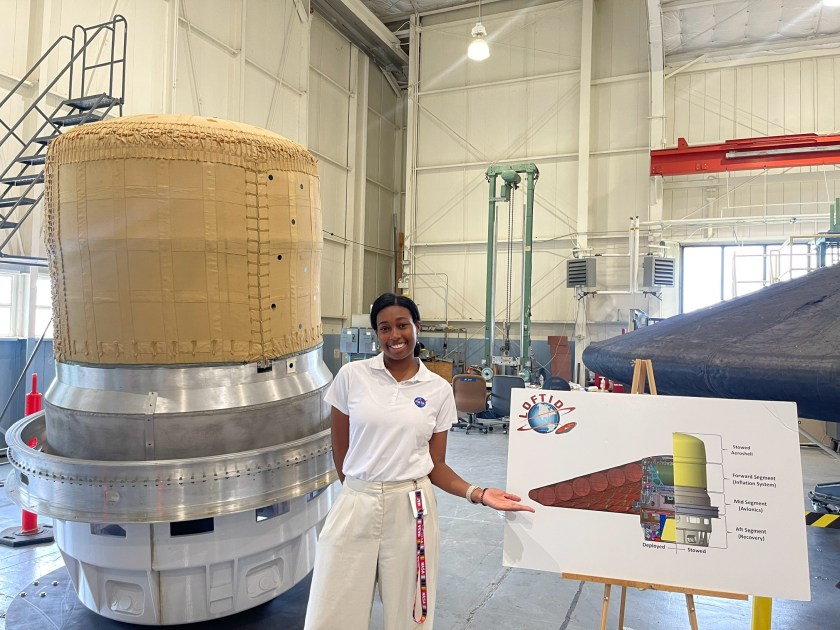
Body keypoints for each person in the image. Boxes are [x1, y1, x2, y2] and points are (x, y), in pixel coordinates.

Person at [304, 292, 534, 630]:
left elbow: (435, 464)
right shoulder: (352, 376)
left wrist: (479, 493)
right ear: (376, 334)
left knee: (411, 615)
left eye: (402, 325)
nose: (394, 336)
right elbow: (340, 445)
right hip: (356, 502)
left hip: (412, 508)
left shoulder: (438, 389)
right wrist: (360, 488)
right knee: (332, 608)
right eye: (384, 328)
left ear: (417, 327)